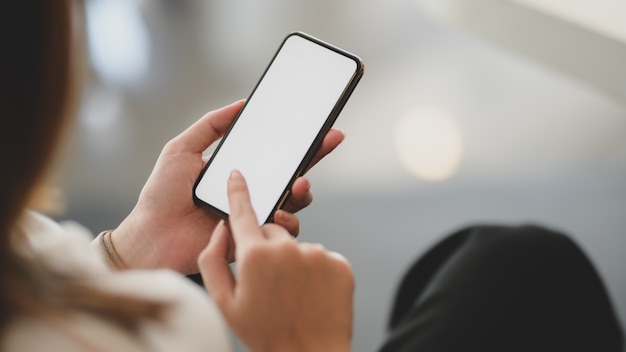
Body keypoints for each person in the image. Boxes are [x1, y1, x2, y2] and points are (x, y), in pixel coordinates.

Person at [1, 2, 623, 352]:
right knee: (529, 271)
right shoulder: (153, 332)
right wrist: (306, 345)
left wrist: (128, 253)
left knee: (512, 260)